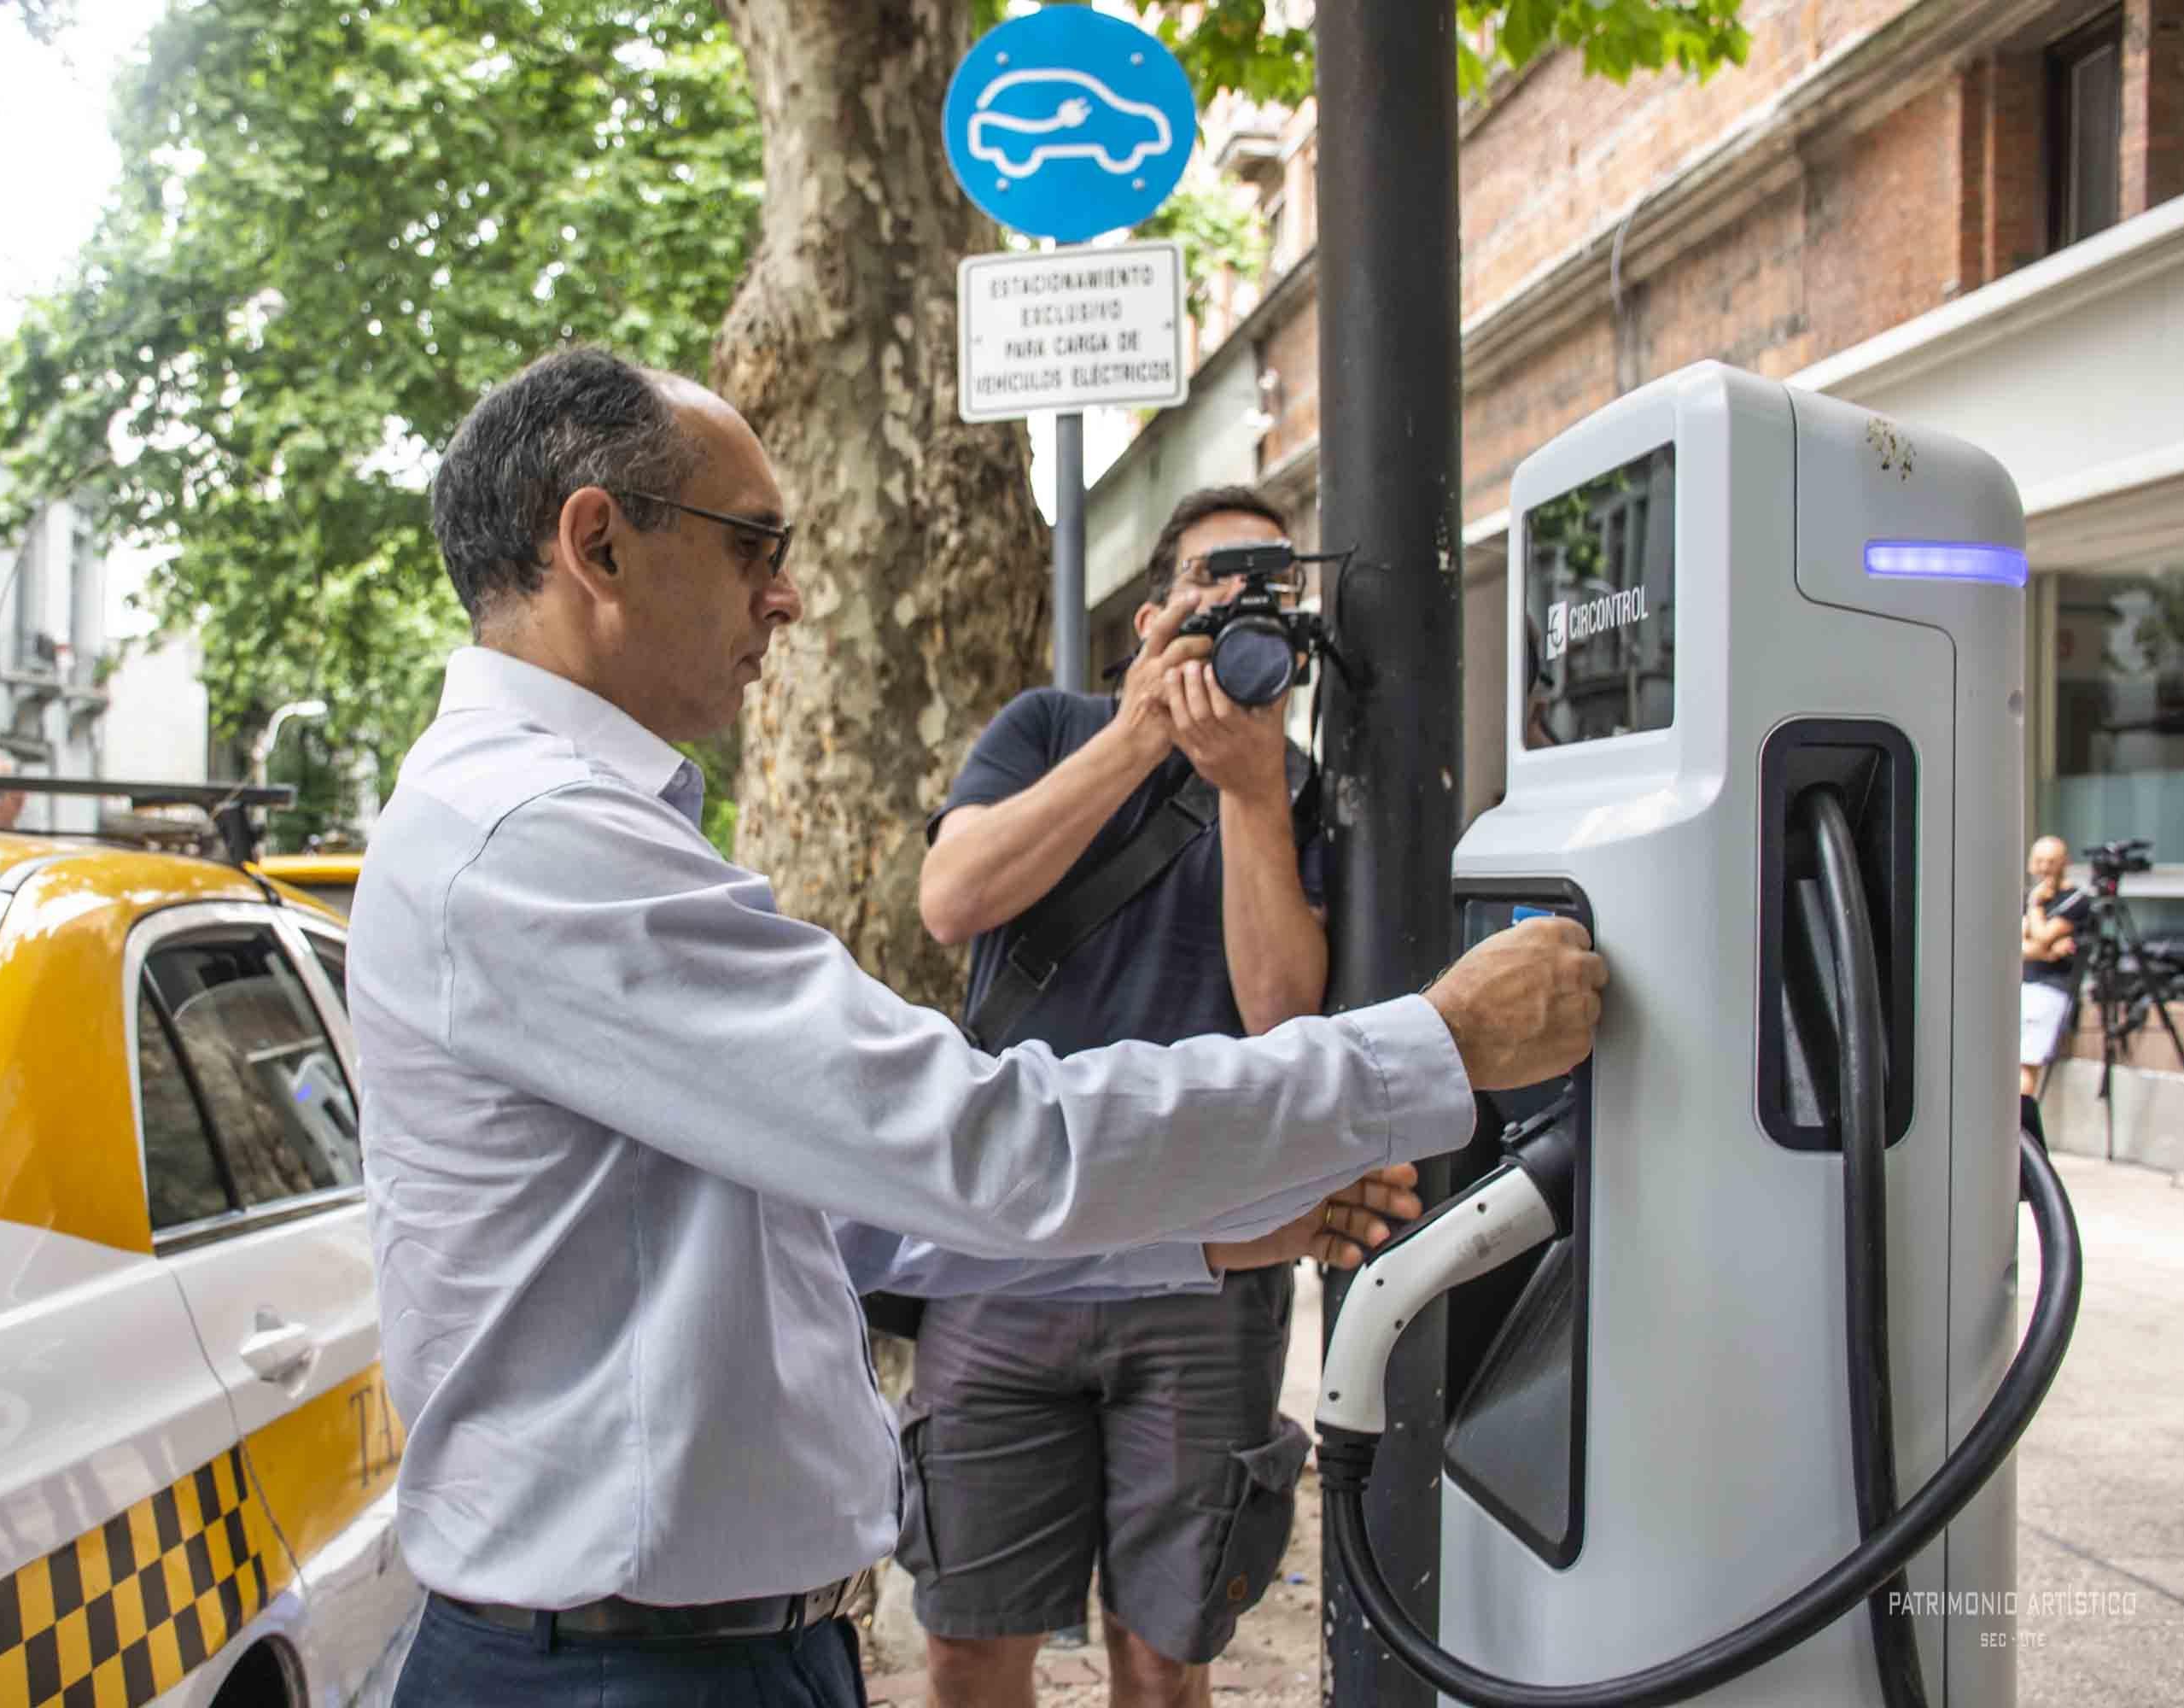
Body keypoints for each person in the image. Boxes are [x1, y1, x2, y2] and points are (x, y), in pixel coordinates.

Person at [347, 348, 1607, 1708]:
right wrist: (1441, 1045)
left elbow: (837, 1216)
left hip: (692, 1648)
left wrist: (1228, 1225)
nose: (788, 595)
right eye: (754, 545)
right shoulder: (539, 842)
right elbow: (970, 1134)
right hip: (626, 1670)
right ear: (597, 541)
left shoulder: (558, 826)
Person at [903, 486, 1389, 1706]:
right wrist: (1141, 739)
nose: (1243, 606)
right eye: (1219, 579)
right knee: (969, 1635)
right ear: (1150, 615)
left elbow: (1282, 1016)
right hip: (1007, 1245)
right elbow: (953, 901)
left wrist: (1246, 791)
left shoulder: (1299, 784)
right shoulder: (1048, 726)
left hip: (1210, 1257)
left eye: (1274, 584)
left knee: (1168, 1651)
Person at [2020, 834, 2088, 1099]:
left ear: (2065, 862)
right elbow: (2013, 945)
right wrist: (2044, 952)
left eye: (2051, 861)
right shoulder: (2029, 895)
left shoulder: (2075, 900)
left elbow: (2042, 935)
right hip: (2024, 985)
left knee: (2025, 1066)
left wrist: (2035, 908)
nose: (2044, 868)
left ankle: (2021, 1129)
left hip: (2050, 991)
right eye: (2038, 861)